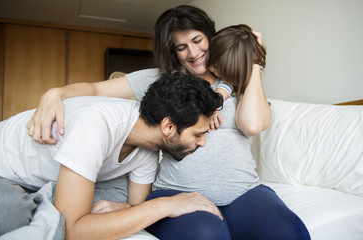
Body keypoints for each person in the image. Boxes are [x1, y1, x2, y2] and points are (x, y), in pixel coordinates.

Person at [26, 5, 310, 240]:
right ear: (173, 53)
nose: (193, 52)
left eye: (198, 40)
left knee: (288, 233)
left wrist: (254, 62)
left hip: (244, 192)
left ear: (210, 37)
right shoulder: (159, 80)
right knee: (206, 237)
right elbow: (97, 89)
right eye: (181, 47)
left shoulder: (236, 77)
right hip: (178, 192)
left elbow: (253, 125)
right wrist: (55, 93)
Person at [0, 72, 224, 239]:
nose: (202, 142)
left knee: (111, 204)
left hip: (48, 179)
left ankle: (56, 203)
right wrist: (165, 205)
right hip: (2, 170)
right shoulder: (96, 125)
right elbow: (73, 230)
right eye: (198, 134)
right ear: (168, 127)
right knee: (11, 214)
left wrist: (130, 208)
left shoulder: (149, 147)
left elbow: (133, 206)